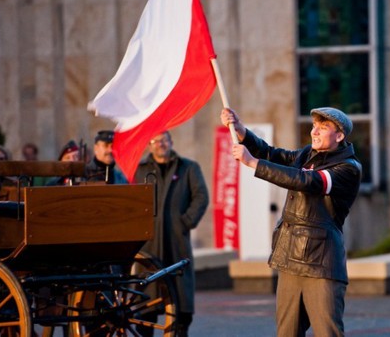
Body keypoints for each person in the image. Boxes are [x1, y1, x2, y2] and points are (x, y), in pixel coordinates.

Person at [221, 106, 362, 337]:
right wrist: (241, 131)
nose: (315, 132)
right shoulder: (307, 154)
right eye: (314, 126)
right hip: (289, 258)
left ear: (340, 136)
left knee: (328, 332)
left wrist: (253, 163)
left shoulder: (349, 168)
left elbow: (307, 181)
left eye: (323, 127)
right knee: (287, 332)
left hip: (322, 263)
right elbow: (271, 153)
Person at [134, 131, 209, 336]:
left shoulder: (188, 168)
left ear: (171, 142)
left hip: (177, 241)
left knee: (180, 297)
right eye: (155, 141)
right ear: (149, 145)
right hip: (148, 244)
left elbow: (201, 196)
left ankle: (179, 330)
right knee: (146, 299)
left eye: (164, 140)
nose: (161, 144)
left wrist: (184, 222)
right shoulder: (139, 171)